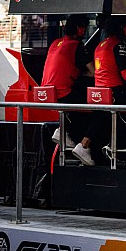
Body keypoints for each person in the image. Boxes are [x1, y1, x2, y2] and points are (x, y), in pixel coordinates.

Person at [90, 16, 126, 168]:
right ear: (120, 28)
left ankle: (115, 148)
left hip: (100, 92)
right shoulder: (117, 45)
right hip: (116, 92)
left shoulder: (100, 45)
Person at [41, 15, 95, 163]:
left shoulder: (55, 43)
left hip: (46, 93)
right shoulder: (77, 45)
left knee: (80, 102)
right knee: (99, 108)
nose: (84, 30)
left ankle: (64, 131)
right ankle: (84, 146)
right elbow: (95, 72)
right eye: (82, 27)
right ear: (77, 28)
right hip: (62, 92)